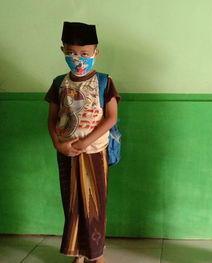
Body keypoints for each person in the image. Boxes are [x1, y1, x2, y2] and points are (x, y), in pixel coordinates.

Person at [45, 22, 120, 263]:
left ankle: (95, 254)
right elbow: (52, 119)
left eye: (84, 54)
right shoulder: (59, 83)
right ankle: (78, 252)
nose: (78, 59)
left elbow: (111, 118)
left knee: (94, 206)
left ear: (95, 53)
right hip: (66, 153)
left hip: (94, 152)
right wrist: (59, 144)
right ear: (62, 51)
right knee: (72, 204)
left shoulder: (104, 82)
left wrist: (85, 141)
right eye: (71, 53)